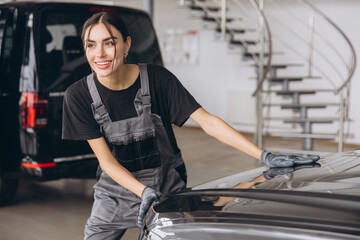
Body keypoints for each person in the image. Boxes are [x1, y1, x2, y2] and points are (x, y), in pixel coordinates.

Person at [62, 12, 320, 240]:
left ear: (127, 44)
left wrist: (264, 155)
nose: (100, 54)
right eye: (91, 45)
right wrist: (143, 192)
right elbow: (107, 162)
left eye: (109, 43)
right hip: (114, 196)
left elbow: (207, 121)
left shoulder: (157, 79)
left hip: (166, 191)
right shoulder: (79, 96)